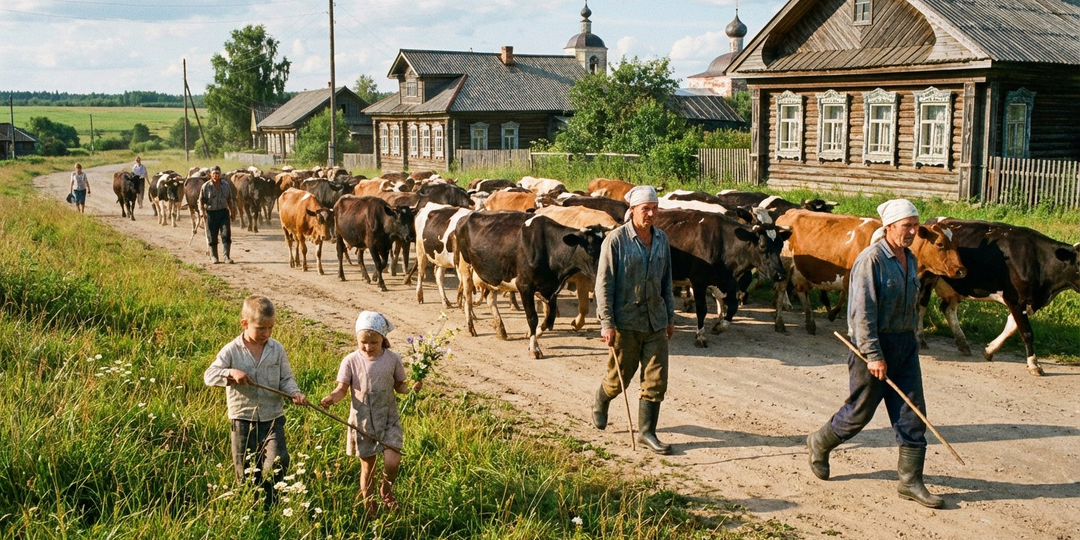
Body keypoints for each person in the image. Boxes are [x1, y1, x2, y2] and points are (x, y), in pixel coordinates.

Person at [806, 199, 944, 509]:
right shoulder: (871, 260)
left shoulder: (910, 258)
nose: (913, 232)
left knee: (913, 413)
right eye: (907, 226)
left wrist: (911, 341)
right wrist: (873, 354)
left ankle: (910, 481)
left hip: (905, 345)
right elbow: (861, 313)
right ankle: (820, 441)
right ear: (890, 227)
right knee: (859, 413)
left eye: (916, 226)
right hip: (873, 347)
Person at [591, 185, 676, 455]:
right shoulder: (615, 241)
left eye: (655, 208)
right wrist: (607, 323)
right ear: (632, 210)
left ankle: (647, 432)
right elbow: (604, 285)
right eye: (645, 209)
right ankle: (601, 399)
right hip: (625, 322)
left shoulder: (661, 239)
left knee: (656, 380)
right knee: (618, 380)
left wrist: (670, 317)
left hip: (655, 321)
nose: (651, 214)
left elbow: (666, 282)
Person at [203, 295, 308, 510]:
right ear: (245, 324)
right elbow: (209, 376)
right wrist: (231, 373)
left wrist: (294, 393)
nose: (266, 333)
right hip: (243, 419)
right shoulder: (232, 350)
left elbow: (286, 378)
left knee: (278, 462)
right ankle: (251, 508)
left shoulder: (276, 349)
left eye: (271, 328)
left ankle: (273, 503)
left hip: (272, 418)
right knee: (247, 471)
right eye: (261, 328)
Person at [320, 311, 420, 517]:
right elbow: (341, 389)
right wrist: (331, 398)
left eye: (373, 342)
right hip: (363, 421)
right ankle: (369, 506)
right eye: (363, 342)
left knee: (393, 461)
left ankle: (387, 490)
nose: (368, 347)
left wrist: (412, 388)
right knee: (368, 468)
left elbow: (399, 386)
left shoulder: (392, 359)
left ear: (383, 338)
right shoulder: (351, 360)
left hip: (388, 419)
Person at [198, 165, 236, 264]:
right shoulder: (206, 186)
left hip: (223, 212)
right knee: (212, 235)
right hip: (211, 213)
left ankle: (226, 256)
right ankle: (214, 256)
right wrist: (202, 212)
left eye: (218, 173)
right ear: (211, 175)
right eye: (214, 173)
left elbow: (229, 199)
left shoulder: (225, 185)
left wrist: (232, 212)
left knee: (226, 234)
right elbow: (200, 201)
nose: (216, 175)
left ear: (220, 174)